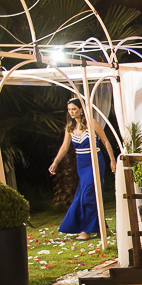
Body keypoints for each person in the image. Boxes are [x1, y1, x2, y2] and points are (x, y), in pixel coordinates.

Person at [50, 98, 117, 240]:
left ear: (81, 109)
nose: (71, 112)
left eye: (74, 109)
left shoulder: (91, 123)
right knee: (88, 194)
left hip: (95, 161)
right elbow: (64, 147)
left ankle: (85, 231)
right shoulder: (70, 127)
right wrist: (55, 162)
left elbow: (105, 141)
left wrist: (112, 160)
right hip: (81, 164)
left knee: (87, 195)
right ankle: (102, 228)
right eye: (69, 110)